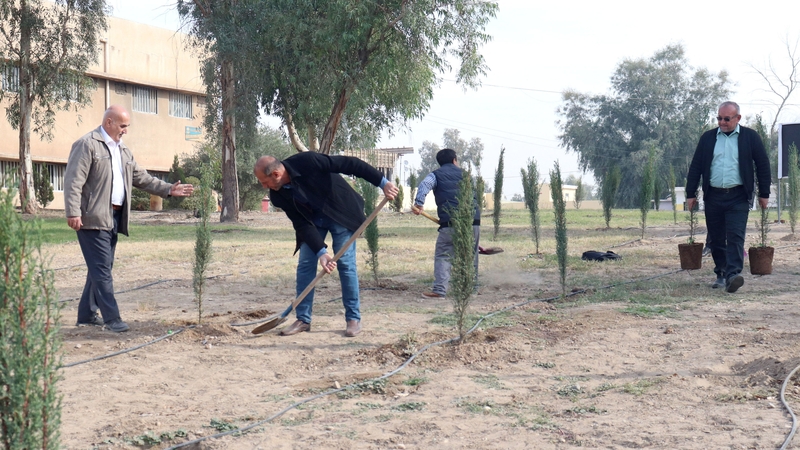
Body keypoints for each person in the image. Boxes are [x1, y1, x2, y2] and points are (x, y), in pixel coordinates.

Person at [64, 105, 194, 332]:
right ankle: (112, 318)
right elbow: (73, 181)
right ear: (109, 123)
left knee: (101, 267)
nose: (126, 130)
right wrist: (73, 211)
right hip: (91, 218)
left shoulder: (123, 151)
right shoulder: (87, 145)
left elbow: (141, 178)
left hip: (114, 216)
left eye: (127, 126)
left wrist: (168, 190)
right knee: (102, 269)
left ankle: (86, 315)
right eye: (123, 126)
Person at [253, 153, 398, 337]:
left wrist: (383, 183)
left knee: (345, 264)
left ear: (276, 174)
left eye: (264, 182)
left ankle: (353, 319)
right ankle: (303, 319)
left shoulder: (307, 162)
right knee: (306, 264)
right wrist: (321, 252)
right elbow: (301, 223)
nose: (264, 187)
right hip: (313, 223)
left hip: (340, 211)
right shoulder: (277, 195)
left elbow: (350, 164)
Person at [686, 101, 770, 293]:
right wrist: (691, 193)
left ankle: (733, 275)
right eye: (719, 118)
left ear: (738, 118)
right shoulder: (708, 138)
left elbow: (763, 165)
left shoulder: (750, 137)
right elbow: (696, 166)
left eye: (726, 119)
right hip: (713, 195)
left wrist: (764, 194)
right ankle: (721, 274)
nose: (722, 122)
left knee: (735, 236)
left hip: (738, 196)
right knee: (716, 238)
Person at [411, 148, 480, 298]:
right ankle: (469, 290)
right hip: (473, 221)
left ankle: (440, 290)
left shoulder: (435, 175)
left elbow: (424, 186)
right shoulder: (466, 175)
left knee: (444, 254)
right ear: (455, 160)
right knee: (471, 254)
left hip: (450, 222)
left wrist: (419, 204)